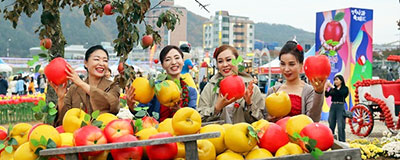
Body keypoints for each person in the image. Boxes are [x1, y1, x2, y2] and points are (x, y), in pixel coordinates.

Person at [51, 45, 120, 126]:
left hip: (104, 134)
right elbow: (64, 121)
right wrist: (61, 98)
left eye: (105, 61)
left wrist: (81, 84)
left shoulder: (113, 86)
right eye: (96, 59)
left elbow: (113, 105)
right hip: (77, 135)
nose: (101, 64)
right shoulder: (74, 89)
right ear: (86, 63)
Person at [126, 45, 197, 122]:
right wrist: (132, 106)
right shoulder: (155, 88)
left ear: (183, 61)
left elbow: (192, 119)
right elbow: (142, 115)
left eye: (177, 58)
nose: (173, 62)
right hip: (157, 132)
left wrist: (179, 111)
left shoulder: (191, 92)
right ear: (162, 65)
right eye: (168, 59)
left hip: (183, 133)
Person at [197, 45, 265, 124]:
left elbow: (261, 121)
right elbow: (199, 119)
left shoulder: (252, 89)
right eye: (220, 61)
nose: (225, 64)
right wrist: (216, 109)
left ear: (237, 61)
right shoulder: (210, 88)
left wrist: (249, 104)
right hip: (219, 135)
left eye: (228, 60)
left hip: (243, 135)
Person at [266, 41, 326, 122]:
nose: (286, 69)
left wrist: (319, 93)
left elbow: (313, 120)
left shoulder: (309, 91)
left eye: (291, 64)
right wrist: (269, 119)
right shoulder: (272, 91)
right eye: (283, 64)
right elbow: (264, 121)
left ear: (301, 65)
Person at [325, 75, 349, 142]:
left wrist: (332, 87)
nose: (335, 81)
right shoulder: (333, 89)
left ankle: (342, 141)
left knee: (340, 125)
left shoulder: (345, 88)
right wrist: (326, 89)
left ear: (341, 81)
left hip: (340, 106)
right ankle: (332, 140)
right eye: (335, 80)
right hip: (333, 106)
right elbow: (327, 95)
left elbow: (341, 94)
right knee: (331, 122)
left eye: (337, 80)